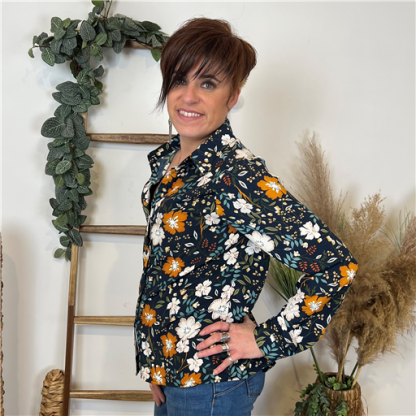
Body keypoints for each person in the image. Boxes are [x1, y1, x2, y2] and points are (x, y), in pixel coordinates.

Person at [133, 17, 359, 416]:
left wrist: (266, 339)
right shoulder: (170, 163)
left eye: (208, 84)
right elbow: (165, 275)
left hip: (212, 382)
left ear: (233, 95)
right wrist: (158, 359)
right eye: (179, 80)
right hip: (173, 370)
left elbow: (334, 265)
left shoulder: (236, 174)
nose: (188, 96)